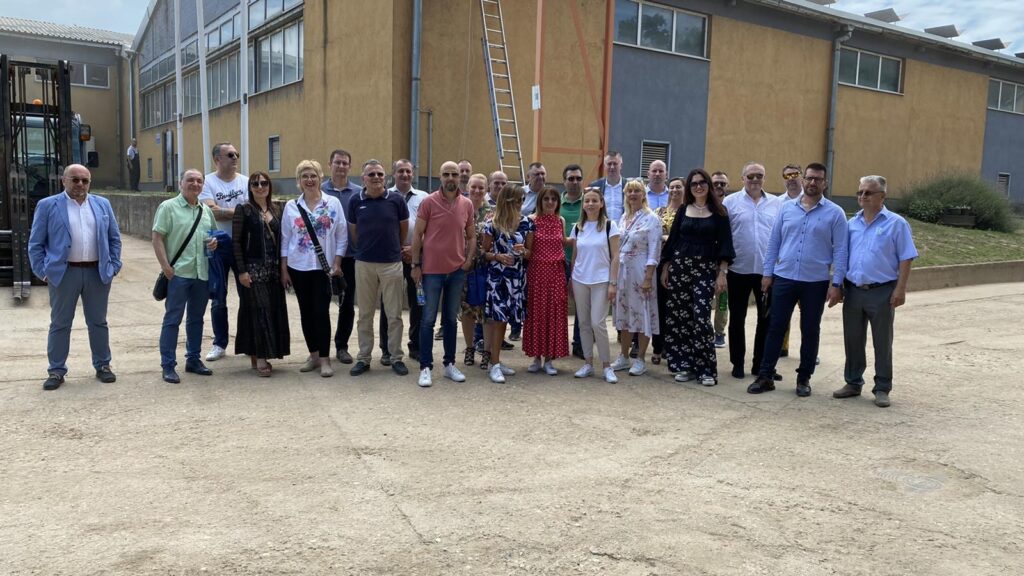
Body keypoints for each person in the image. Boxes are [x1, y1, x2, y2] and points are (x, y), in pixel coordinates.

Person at [749, 162, 848, 397]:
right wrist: (767, 273)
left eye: (818, 179)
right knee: (775, 327)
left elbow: (841, 251)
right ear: (804, 180)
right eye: (810, 178)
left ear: (825, 183)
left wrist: (836, 284)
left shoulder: (835, 213)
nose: (813, 182)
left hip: (815, 282)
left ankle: (804, 378)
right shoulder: (786, 209)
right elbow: (774, 243)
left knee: (810, 330)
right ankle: (765, 376)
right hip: (783, 278)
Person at [29, 164, 122, 390]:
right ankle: (56, 370)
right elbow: (35, 243)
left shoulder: (102, 204)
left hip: (97, 273)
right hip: (64, 273)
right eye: (75, 179)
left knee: (98, 322)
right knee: (60, 323)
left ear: (90, 182)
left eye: (85, 180)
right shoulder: (48, 205)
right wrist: (43, 272)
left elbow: (114, 238)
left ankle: (103, 365)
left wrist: (114, 266)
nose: (80, 184)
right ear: (64, 180)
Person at [833, 175, 917, 408]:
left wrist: (900, 289)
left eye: (868, 192)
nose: (863, 196)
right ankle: (852, 382)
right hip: (853, 290)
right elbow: (842, 256)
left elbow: (906, 257)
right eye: (860, 192)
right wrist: (837, 285)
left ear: (882, 196)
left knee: (882, 342)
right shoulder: (851, 224)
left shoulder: (896, 223)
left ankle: (882, 387)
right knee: (853, 339)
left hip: (882, 291)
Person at [660, 169, 735, 386]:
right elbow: (673, 240)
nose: (698, 187)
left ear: (708, 185)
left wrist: (722, 273)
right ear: (689, 188)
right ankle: (685, 365)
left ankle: (706, 369)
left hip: (705, 270)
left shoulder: (719, 212)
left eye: (702, 182)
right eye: (694, 184)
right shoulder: (684, 209)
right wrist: (666, 267)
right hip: (680, 268)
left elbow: (726, 244)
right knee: (680, 317)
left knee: (701, 318)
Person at [410, 161, 476, 387]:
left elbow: (471, 235)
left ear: (459, 178)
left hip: (456, 271)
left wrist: (468, 260)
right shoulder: (428, 202)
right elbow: (417, 235)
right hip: (431, 272)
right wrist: (415, 265)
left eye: (454, 174)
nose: (450, 178)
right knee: (428, 320)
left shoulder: (466, 204)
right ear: (440, 177)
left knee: (450, 320)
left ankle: (449, 364)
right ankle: (425, 367)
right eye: (446, 174)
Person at [281, 160, 348, 378]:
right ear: (299, 181)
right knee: (306, 313)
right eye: (305, 176)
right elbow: (285, 239)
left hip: (324, 269)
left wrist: (337, 263)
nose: (309, 180)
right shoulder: (291, 207)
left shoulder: (333, 203)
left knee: (321, 312)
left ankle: (326, 359)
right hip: (298, 267)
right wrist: (284, 269)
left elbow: (342, 236)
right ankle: (314, 355)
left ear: (320, 178)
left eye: (313, 176)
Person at [152, 169, 219, 384]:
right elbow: (157, 238)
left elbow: (213, 236)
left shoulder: (206, 211)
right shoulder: (168, 207)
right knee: (172, 320)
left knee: (196, 319)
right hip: (178, 274)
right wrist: (166, 267)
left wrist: (214, 243)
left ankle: (193, 359)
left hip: (201, 273)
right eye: (190, 180)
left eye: (199, 181)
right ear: (180, 183)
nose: (195, 184)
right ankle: (168, 365)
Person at [348, 160, 410, 377]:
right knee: (365, 314)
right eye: (371, 174)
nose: (376, 177)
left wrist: (393, 248)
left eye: (380, 174)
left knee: (394, 315)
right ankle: (364, 358)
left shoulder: (396, 200)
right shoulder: (356, 201)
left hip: (391, 264)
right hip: (364, 264)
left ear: (385, 177)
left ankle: (396, 357)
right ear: (363, 178)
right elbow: (354, 232)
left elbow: (403, 230)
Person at [721, 162, 781, 380]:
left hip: (767, 272)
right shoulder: (730, 202)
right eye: (751, 176)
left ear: (764, 178)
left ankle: (760, 365)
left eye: (759, 176)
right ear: (742, 178)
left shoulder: (776, 203)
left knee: (766, 320)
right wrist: (723, 268)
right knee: (737, 319)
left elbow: (780, 236)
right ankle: (737, 363)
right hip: (738, 270)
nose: (755, 180)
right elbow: (724, 237)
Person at [232, 171, 290, 376]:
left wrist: (284, 269)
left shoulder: (276, 209)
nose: (260, 187)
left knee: (273, 311)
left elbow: (283, 240)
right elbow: (236, 243)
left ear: (269, 186)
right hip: (254, 270)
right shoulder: (244, 209)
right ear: (250, 188)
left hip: (273, 271)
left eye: (264, 183)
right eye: (255, 184)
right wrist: (242, 271)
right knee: (259, 313)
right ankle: (261, 359)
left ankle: (260, 355)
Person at [199, 142, 248, 362]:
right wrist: (239, 211)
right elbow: (211, 212)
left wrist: (224, 210)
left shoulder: (246, 181)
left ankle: (247, 341)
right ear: (217, 159)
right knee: (218, 296)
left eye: (236, 154)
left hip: (242, 245)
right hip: (216, 244)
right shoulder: (207, 182)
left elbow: (251, 211)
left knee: (247, 294)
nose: (235, 157)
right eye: (230, 154)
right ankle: (219, 343)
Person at [482, 184, 534, 383]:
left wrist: (523, 251)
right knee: (498, 320)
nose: (521, 204)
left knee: (506, 320)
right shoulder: (492, 224)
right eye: (518, 200)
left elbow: (530, 253)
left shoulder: (527, 223)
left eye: (522, 200)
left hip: (516, 279)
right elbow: (483, 253)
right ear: (508, 201)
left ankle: (496, 360)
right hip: (498, 278)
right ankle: (494, 363)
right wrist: (498, 256)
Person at [611, 179, 662, 376]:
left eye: (636, 191)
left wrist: (648, 277)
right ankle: (624, 356)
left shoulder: (652, 218)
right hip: (623, 271)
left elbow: (654, 250)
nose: (632, 194)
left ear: (643, 194)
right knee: (624, 314)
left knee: (642, 314)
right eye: (629, 191)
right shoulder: (624, 217)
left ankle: (640, 358)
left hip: (641, 271)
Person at [570, 188, 621, 384]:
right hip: (580, 279)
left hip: (602, 280)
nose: (590, 204)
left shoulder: (609, 225)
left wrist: (613, 283)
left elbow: (616, 257)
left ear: (601, 204)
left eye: (594, 201)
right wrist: (571, 278)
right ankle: (588, 363)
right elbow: (575, 255)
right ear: (583, 205)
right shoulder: (578, 227)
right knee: (583, 323)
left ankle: (607, 366)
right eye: (587, 201)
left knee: (597, 323)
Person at [379, 159, 428, 363]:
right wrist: (398, 250)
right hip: (392, 258)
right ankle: (387, 348)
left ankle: (415, 346)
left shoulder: (424, 198)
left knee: (418, 303)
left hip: (417, 259)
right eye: (400, 171)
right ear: (393, 174)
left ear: (413, 174)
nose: (405, 175)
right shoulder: (384, 196)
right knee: (389, 304)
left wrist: (415, 249)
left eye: (408, 171)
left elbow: (431, 229)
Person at [321, 148, 362, 365]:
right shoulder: (320, 191)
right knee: (321, 303)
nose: (341, 166)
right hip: (324, 257)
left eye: (345, 163)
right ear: (330, 165)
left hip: (350, 256)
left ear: (350, 166)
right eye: (337, 162)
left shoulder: (359, 192)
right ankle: (320, 349)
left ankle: (342, 346)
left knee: (346, 304)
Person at [523, 186, 569, 375]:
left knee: (554, 314)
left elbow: (564, 242)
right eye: (546, 199)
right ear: (539, 201)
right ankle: (536, 357)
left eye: (554, 199)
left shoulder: (560, 220)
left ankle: (549, 359)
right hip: (537, 272)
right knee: (536, 313)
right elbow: (528, 249)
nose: (550, 202)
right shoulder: (531, 220)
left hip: (556, 273)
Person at [650, 175, 685, 365]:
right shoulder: (659, 211)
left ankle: (672, 347)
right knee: (659, 306)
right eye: (672, 187)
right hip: (659, 263)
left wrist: (668, 239)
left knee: (676, 309)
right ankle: (657, 346)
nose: (674, 190)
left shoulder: (688, 212)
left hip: (680, 265)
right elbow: (653, 234)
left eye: (678, 187)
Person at [460, 174, 494, 368]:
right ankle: (470, 348)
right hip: (464, 268)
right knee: (467, 311)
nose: (477, 190)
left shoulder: (493, 212)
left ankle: (487, 352)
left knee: (487, 311)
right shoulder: (460, 208)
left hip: (486, 268)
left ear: (486, 189)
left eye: (481, 187)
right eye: (474, 187)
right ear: (468, 188)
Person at [778, 163, 804, 357]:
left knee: (808, 314)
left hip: (807, 269)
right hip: (784, 267)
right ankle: (782, 346)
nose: (791, 179)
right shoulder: (778, 203)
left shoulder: (813, 200)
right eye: (787, 176)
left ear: (802, 176)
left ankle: (808, 349)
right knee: (782, 312)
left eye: (795, 174)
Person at [560, 165, 585, 359]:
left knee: (582, 305)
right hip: (558, 261)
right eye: (571, 178)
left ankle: (579, 343)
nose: (574, 182)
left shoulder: (591, 201)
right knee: (558, 304)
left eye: (578, 178)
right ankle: (557, 343)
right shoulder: (554, 202)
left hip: (583, 262)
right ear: (564, 181)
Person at [710, 171, 731, 348]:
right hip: (705, 261)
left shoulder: (730, 206)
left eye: (722, 184)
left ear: (727, 186)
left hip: (723, 261)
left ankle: (719, 332)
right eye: (715, 183)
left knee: (722, 299)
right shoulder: (703, 204)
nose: (718, 186)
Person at [589, 151, 625, 222]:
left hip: (623, 228)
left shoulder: (629, 186)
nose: (612, 167)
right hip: (601, 227)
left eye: (615, 164)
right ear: (604, 166)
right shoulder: (595, 186)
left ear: (621, 165)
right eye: (609, 164)